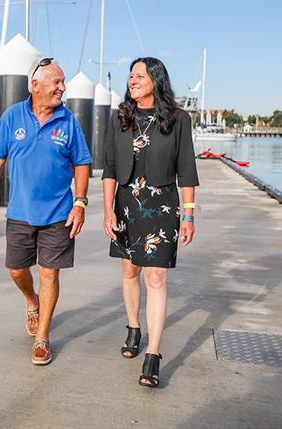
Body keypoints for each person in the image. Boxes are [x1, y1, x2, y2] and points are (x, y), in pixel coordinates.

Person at [0, 57, 92, 366]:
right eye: (56, 82)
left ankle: (42, 338)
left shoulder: (68, 121)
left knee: (49, 274)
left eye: (63, 82)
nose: (62, 88)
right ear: (35, 85)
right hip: (20, 213)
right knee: (17, 270)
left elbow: (82, 163)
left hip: (59, 213)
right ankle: (32, 301)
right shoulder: (12, 117)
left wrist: (80, 203)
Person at [102, 57, 199, 388]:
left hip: (162, 207)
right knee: (130, 270)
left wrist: (189, 214)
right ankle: (133, 327)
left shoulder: (178, 119)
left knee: (156, 277)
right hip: (126, 204)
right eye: (130, 75)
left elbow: (187, 169)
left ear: (155, 80)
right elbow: (110, 168)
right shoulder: (120, 118)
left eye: (139, 75)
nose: (132, 80)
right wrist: (107, 210)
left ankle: (154, 354)